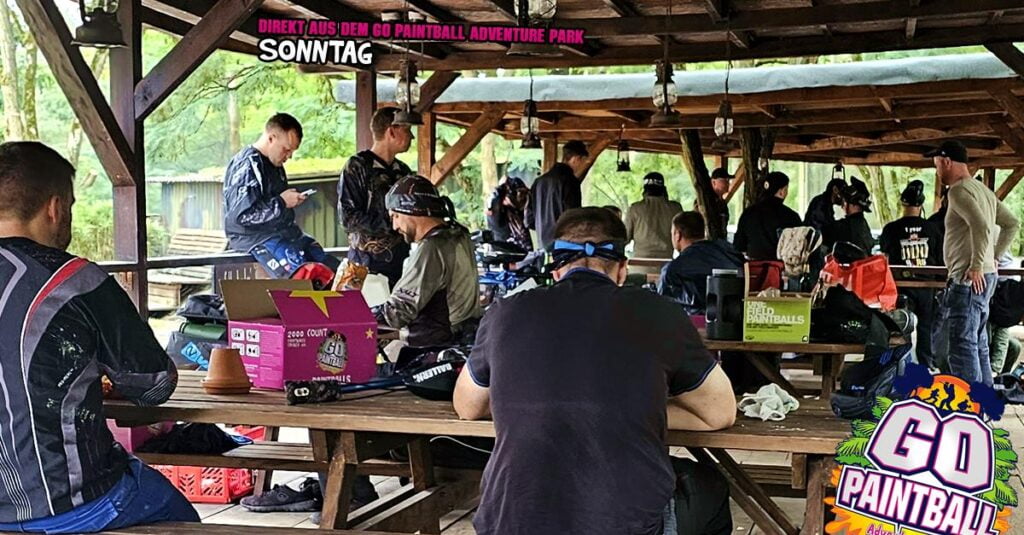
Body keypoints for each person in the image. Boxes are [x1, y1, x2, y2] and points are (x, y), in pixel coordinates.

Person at [454, 207, 736, 535]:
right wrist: (632, 409)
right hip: (623, 525)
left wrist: (537, 404)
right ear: (622, 270)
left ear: (556, 270)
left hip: (511, 523)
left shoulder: (504, 313)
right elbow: (720, 412)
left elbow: (467, 406)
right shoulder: (659, 313)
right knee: (711, 488)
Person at [0, 142, 197, 532]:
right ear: (55, 208)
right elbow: (154, 386)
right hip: (70, 504)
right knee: (181, 519)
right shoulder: (77, 281)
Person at [927, 140, 1020, 385]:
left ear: (946, 161)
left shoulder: (958, 191)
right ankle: (985, 400)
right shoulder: (983, 191)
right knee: (978, 344)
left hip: (968, 279)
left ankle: (971, 403)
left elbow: (981, 225)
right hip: (986, 277)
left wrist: (978, 264)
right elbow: (1011, 224)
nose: (937, 171)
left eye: (937, 165)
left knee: (962, 345)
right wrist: (994, 258)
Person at [224, 113, 339, 279]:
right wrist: (282, 202)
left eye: (292, 151)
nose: (289, 156)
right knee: (304, 275)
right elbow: (241, 216)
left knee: (332, 269)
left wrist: (288, 201)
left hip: (285, 232)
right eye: (286, 149)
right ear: (271, 138)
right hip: (256, 238)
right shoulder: (247, 165)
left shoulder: (275, 164)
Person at [374, 175, 482, 348]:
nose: (394, 226)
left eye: (395, 216)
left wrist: (361, 317)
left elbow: (398, 310)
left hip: (437, 346)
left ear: (411, 211)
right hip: (464, 338)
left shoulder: (432, 247)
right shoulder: (459, 235)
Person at [338, 107, 415, 287]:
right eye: (407, 130)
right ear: (391, 131)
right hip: (365, 264)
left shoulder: (403, 171)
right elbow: (348, 218)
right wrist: (392, 224)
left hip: (400, 261)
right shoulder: (357, 166)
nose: (412, 136)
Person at [879, 180, 944, 368]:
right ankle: (925, 365)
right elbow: (940, 258)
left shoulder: (891, 229)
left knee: (900, 327)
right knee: (925, 327)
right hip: (927, 286)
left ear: (902, 203)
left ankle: (899, 363)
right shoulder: (933, 229)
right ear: (921, 205)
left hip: (900, 285)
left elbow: (884, 256)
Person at [658, 211, 744, 315]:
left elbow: (660, 302)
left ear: (678, 235)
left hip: (696, 320)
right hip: (735, 316)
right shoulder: (728, 253)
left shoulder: (674, 268)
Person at [526, 140, 590, 250]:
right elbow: (572, 216)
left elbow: (528, 219)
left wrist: (544, 228)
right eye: (582, 161)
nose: (581, 165)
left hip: (543, 243)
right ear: (575, 159)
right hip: (564, 244)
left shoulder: (539, 182)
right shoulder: (570, 182)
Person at [733, 171, 802, 261]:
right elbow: (800, 246)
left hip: (753, 267)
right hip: (781, 267)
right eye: (786, 189)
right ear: (782, 192)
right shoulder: (791, 216)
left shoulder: (748, 213)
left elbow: (739, 245)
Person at [625, 172, 683, 268]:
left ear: (644, 189)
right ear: (663, 188)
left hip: (640, 266)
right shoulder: (675, 208)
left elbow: (625, 238)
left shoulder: (635, 209)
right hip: (666, 266)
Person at [823, 176, 875, 255]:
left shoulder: (841, 228)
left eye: (844, 201)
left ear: (852, 204)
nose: (842, 206)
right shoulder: (863, 226)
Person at [486, 176, 532, 251]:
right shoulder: (497, 212)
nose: (521, 199)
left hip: (526, 250)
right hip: (507, 252)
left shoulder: (518, 210)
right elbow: (493, 204)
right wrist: (502, 189)